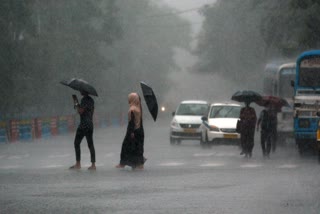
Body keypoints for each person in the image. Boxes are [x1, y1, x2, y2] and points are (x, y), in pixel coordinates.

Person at [116, 92, 146, 170]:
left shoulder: (132, 109)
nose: (128, 100)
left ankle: (122, 163)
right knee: (138, 147)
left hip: (133, 131)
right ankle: (139, 164)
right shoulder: (139, 108)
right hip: (140, 130)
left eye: (130, 98)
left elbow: (131, 122)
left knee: (125, 146)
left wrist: (131, 132)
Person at [69, 90, 96, 170]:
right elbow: (89, 111)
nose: (80, 91)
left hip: (84, 124)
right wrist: (79, 105)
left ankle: (78, 164)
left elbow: (80, 111)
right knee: (90, 144)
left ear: (84, 91)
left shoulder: (84, 100)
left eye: (81, 90)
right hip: (90, 124)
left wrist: (76, 102)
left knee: (76, 143)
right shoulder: (91, 100)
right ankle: (93, 165)